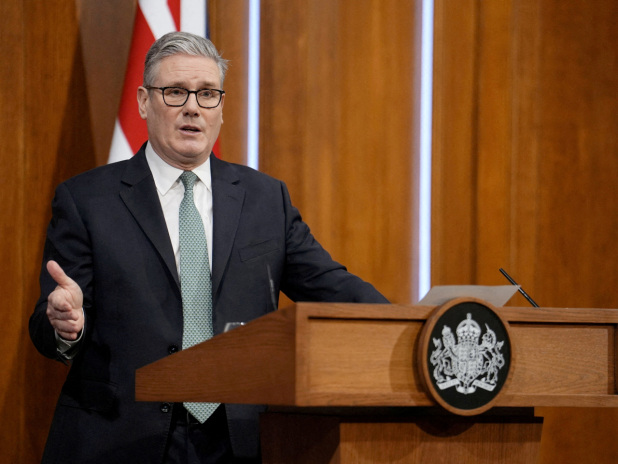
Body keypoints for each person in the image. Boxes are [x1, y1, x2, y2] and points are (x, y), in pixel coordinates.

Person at [29, 31, 388, 464]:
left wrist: (408, 329)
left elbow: (333, 288)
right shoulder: (87, 200)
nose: (193, 107)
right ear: (143, 102)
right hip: (120, 438)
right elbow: (48, 325)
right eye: (175, 92)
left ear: (221, 107)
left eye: (207, 94)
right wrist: (65, 324)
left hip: (237, 440)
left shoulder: (265, 199)